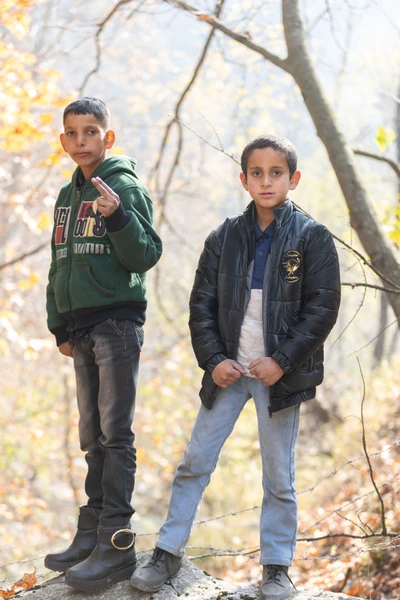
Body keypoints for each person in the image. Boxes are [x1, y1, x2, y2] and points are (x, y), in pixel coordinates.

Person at [130, 135, 341, 600]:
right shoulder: (224, 237)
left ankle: (276, 567)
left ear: (293, 179)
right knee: (194, 462)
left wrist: (282, 361)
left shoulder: (311, 238)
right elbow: (201, 306)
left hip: (278, 377)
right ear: (243, 179)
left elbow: (322, 310)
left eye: (277, 173)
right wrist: (214, 360)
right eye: (257, 173)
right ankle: (167, 552)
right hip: (229, 372)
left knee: (278, 476)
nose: (267, 181)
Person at [44, 97, 162, 592]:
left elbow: (146, 254)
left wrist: (117, 216)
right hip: (81, 329)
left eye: (90, 132)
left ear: (107, 138)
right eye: (72, 133)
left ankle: (117, 543)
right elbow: (59, 263)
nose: (80, 141)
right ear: (64, 140)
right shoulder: (66, 196)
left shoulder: (124, 186)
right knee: (90, 434)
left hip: (116, 324)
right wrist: (59, 326)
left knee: (116, 433)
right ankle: (90, 533)